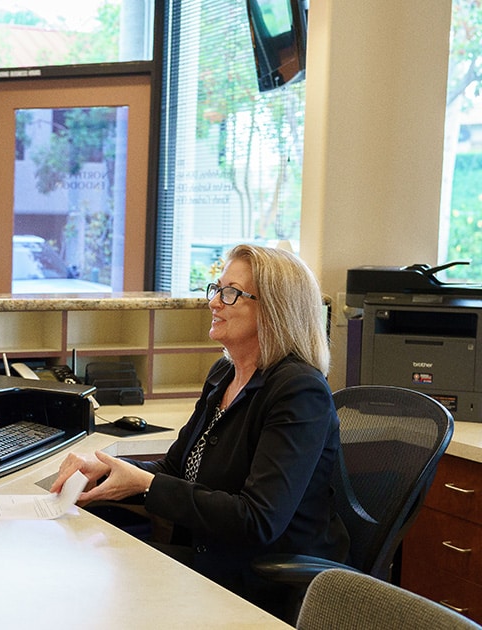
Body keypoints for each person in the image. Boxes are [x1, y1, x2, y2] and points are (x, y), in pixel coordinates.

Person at [51, 243, 348, 617]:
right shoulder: (223, 376)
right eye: (216, 288)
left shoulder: (299, 391)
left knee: (103, 582)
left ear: (274, 310)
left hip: (265, 583)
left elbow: (258, 520)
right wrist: (109, 471)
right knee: (84, 565)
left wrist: (145, 484)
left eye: (231, 293)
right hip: (211, 559)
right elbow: (175, 471)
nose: (214, 302)